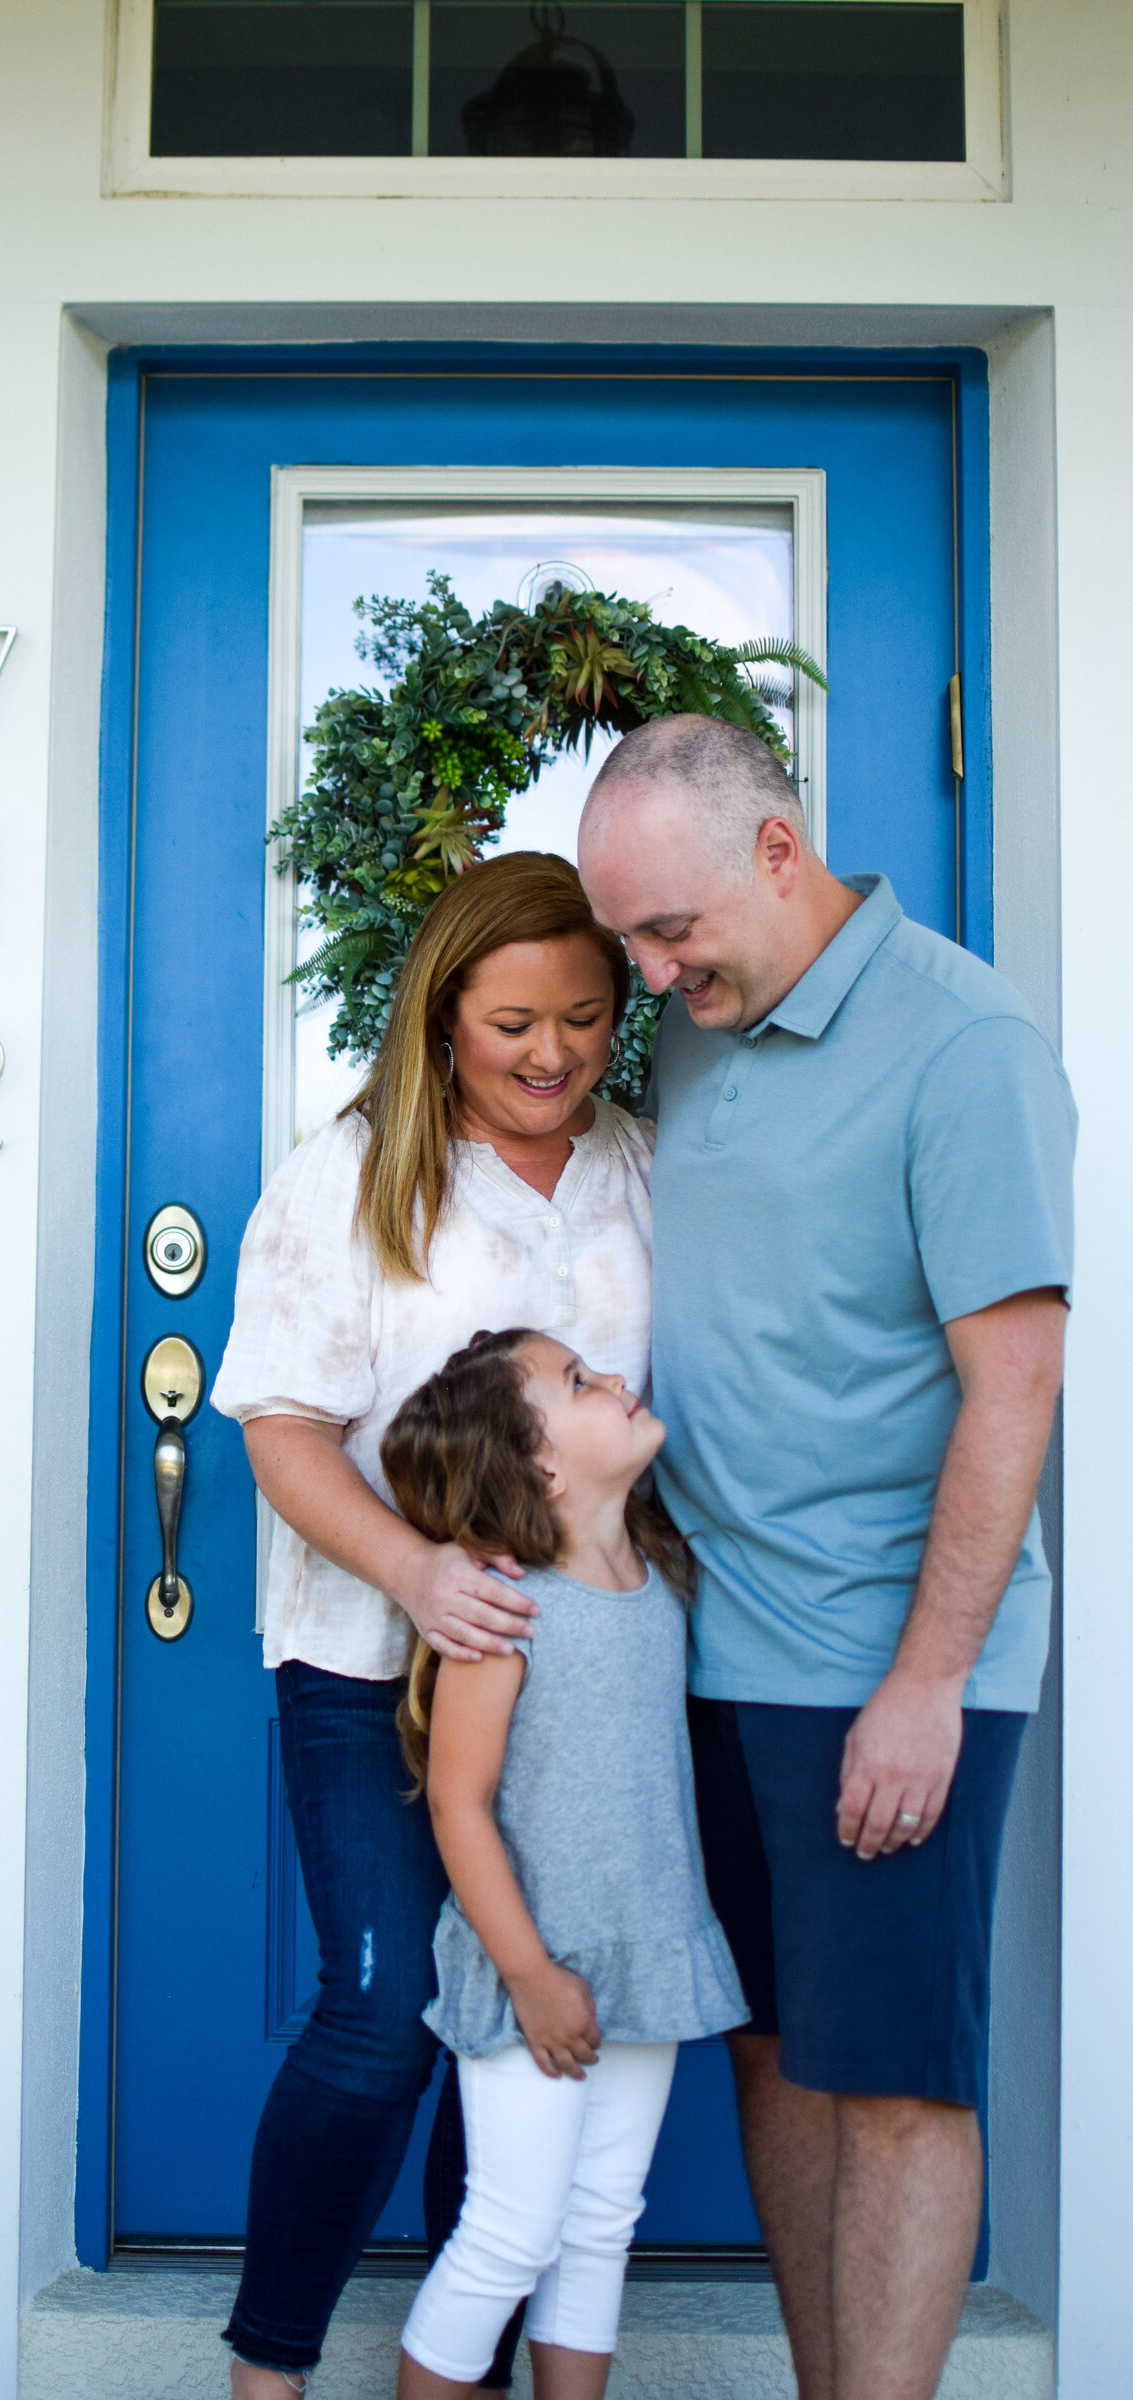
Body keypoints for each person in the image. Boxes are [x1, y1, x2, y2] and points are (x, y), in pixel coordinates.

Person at [577, 714, 1076, 2400]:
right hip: (716, 1652)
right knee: (777, 2052)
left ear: (777, 853)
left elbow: (1016, 1383)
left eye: (669, 931)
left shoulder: (965, 1045)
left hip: (887, 1663)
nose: (648, 979)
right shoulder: (711, 1022)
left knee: (897, 2083)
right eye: (627, 941)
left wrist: (928, 1682)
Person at [210, 851, 651, 2398]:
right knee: (388, 2013)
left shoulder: (637, 1172)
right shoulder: (349, 1176)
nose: (552, 1055)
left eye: (586, 1021)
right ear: (443, 1016)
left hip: (574, 1696)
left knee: (519, 2043)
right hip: (368, 1663)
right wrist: (414, 1573)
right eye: (515, 1022)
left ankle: (457, 2372)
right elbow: (276, 1428)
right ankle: (269, 2373)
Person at [381, 1328, 746, 2400]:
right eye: (580, 1382)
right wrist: (531, 1975)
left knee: (598, 2229)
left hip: (648, 1952)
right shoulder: (504, 1609)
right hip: (531, 1962)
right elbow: (458, 1803)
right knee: (510, 2232)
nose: (616, 1379)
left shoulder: (660, 1577)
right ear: (536, 1466)